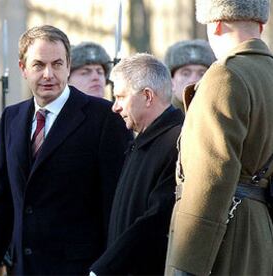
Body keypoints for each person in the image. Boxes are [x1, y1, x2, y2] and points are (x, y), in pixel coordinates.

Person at [0, 25, 132, 275]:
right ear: (23, 68)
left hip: (81, 268)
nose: (49, 74)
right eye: (38, 65)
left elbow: (117, 203)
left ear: (68, 66)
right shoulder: (11, 118)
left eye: (57, 64)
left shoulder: (103, 118)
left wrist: (108, 268)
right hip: (24, 268)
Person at [165, 0, 273, 275]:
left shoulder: (224, 75)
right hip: (260, 231)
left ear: (216, 24)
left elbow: (210, 177)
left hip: (223, 236)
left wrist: (187, 265)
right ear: (261, 23)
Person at [89, 53, 184, 275]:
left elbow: (156, 218)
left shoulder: (177, 142)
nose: (115, 107)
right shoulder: (143, 140)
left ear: (148, 96)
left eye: (121, 97)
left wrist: (105, 268)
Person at [164, 39, 215, 111]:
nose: (193, 80)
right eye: (185, 74)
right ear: (171, 81)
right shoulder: (158, 118)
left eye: (202, 74)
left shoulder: (220, 118)